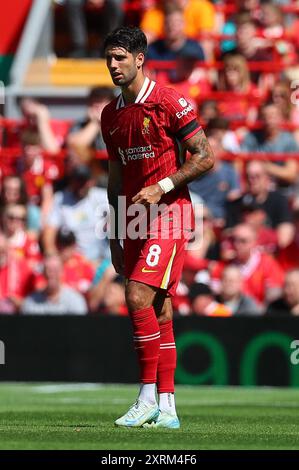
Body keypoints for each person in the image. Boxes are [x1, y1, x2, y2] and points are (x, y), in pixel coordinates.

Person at [101, 26, 214, 428]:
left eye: (119, 57)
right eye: (108, 58)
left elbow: (205, 156)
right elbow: (115, 181)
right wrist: (116, 232)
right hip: (133, 219)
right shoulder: (110, 115)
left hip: (170, 214)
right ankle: (167, 408)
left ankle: (146, 396)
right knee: (160, 309)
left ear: (139, 59)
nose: (113, 65)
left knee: (136, 296)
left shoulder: (169, 102)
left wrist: (162, 186)